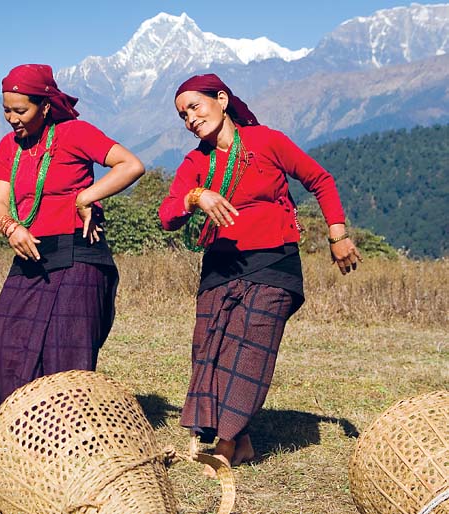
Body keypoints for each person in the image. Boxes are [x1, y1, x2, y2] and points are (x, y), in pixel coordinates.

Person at [158, 73, 362, 473]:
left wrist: (337, 234)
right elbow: (167, 215)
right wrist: (197, 196)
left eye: (195, 107)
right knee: (210, 351)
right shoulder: (196, 162)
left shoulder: (266, 141)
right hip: (220, 268)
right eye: (183, 115)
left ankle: (226, 444)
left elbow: (320, 179)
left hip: (273, 263)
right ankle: (244, 440)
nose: (190, 119)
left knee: (248, 351)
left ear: (220, 99)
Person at [0, 64, 145, 408]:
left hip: (78, 254)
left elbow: (130, 165)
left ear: (44, 107)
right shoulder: (7, 147)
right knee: (7, 341)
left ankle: (69, 429)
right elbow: (0, 202)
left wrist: (86, 196)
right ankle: (21, 421)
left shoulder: (74, 133)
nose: (12, 118)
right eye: (6, 110)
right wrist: (11, 227)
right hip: (30, 254)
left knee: (66, 349)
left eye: (21, 110)